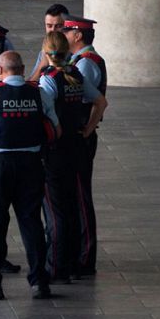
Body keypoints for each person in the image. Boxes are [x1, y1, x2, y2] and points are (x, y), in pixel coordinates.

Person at [0, 51, 58, 300]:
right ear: (22, 68)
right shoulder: (39, 93)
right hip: (31, 164)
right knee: (31, 223)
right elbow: (55, 129)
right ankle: (39, 282)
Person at [35, 31, 98, 283]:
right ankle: (72, 262)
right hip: (77, 145)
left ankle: (56, 267)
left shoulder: (48, 80)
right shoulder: (75, 75)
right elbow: (100, 102)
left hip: (56, 150)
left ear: (46, 52)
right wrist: (87, 129)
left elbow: (45, 116)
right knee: (72, 206)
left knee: (54, 209)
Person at [62, 16, 108, 276]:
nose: (63, 35)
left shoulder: (86, 64)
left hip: (80, 137)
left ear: (78, 35)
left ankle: (85, 256)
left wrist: (86, 132)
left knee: (80, 196)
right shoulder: (78, 61)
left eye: (66, 31)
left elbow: (96, 101)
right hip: (78, 137)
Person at [28, 3, 70, 81]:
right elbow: (30, 84)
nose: (53, 30)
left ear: (67, 25)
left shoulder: (73, 51)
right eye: (49, 26)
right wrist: (42, 65)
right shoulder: (44, 51)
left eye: (58, 26)